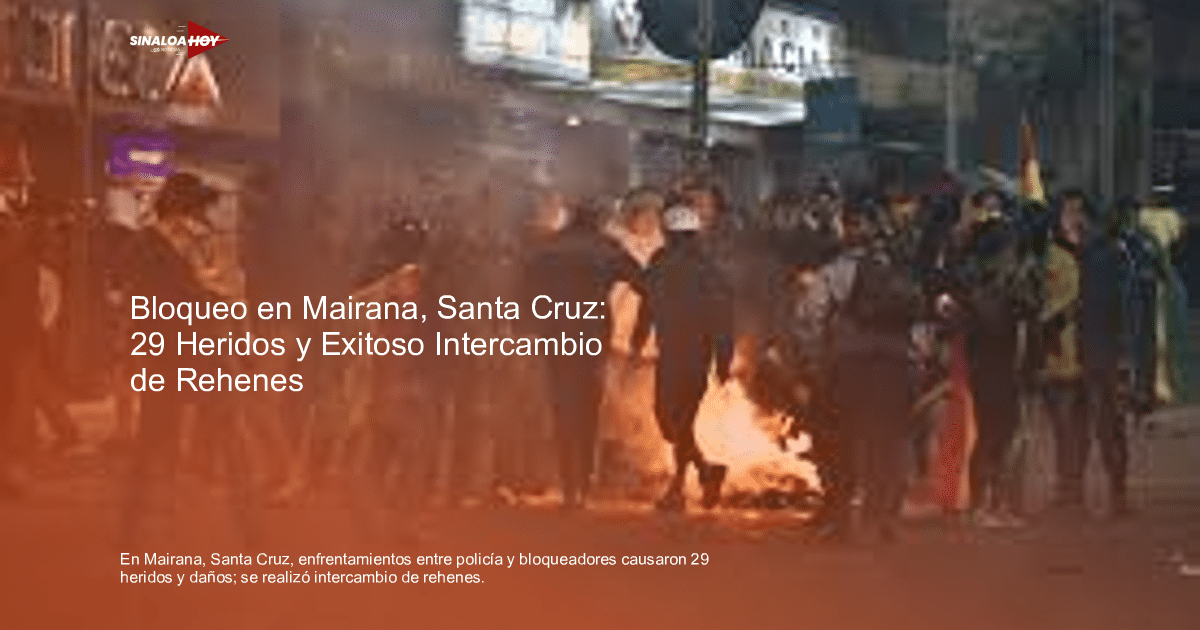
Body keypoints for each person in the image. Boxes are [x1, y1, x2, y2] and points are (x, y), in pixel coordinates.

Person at [524, 198, 644, 509]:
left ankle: (568, 487)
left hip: (555, 332)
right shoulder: (606, 247)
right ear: (597, 218)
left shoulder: (548, 246)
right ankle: (583, 485)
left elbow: (525, 290)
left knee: (562, 406)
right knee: (588, 406)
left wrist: (526, 327)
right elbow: (643, 282)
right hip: (591, 333)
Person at [826, 202, 922, 542]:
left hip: (852, 366)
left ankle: (842, 521)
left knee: (845, 442)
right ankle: (883, 520)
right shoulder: (909, 272)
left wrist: (816, 363)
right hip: (899, 367)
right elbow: (922, 325)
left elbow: (812, 315)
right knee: (890, 445)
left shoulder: (840, 270)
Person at [630, 205, 734, 512]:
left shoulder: (681, 265)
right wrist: (722, 359)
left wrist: (639, 337)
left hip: (685, 355)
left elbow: (719, 317)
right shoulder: (696, 266)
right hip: (685, 356)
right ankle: (705, 472)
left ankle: (678, 490)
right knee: (674, 422)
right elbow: (722, 319)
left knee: (676, 421)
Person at [1040, 189, 1090, 515]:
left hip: (1092, 353)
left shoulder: (1097, 253)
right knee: (1062, 428)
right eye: (1068, 211)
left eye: (1080, 211)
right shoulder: (1048, 255)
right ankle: (1065, 489)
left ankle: (1076, 489)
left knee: (1084, 429)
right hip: (1057, 353)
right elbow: (1038, 305)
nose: (1075, 218)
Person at [0, 134, 39, 498]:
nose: (28, 183)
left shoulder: (14, 223)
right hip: (11, 331)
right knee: (11, 401)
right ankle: (9, 471)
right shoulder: (9, 227)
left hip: (16, 329)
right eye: (21, 178)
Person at [1136, 186, 1188, 408]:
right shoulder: (1148, 215)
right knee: (1156, 337)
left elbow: (1178, 243)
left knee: (1161, 337)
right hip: (1152, 278)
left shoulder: (1166, 216)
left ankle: (1159, 388)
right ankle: (1155, 388)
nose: (1162, 196)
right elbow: (1178, 244)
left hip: (1155, 278)